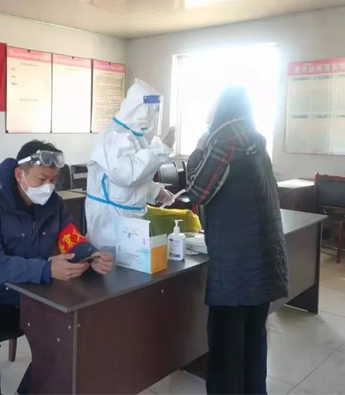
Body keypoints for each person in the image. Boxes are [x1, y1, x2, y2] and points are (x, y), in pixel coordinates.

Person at [0, 141, 114, 395]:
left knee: (70, 334)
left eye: (53, 180)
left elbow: (69, 236)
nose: (48, 186)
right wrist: (46, 270)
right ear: (20, 175)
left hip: (27, 292)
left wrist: (90, 254)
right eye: (41, 179)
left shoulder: (54, 204)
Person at [186, 87, 289, 395]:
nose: (209, 111)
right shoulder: (255, 141)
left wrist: (198, 151)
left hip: (236, 269)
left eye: (213, 104)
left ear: (224, 108)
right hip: (264, 263)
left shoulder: (223, 142)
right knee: (253, 340)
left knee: (226, 350)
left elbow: (197, 191)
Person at [86, 79, 176, 249]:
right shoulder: (112, 136)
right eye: (153, 109)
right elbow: (126, 175)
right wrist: (159, 149)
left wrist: (155, 191)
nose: (155, 115)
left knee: (133, 260)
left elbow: (138, 177)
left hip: (128, 220)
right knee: (111, 263)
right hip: (110, 223)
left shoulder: (134, 136)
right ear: (140, 107)